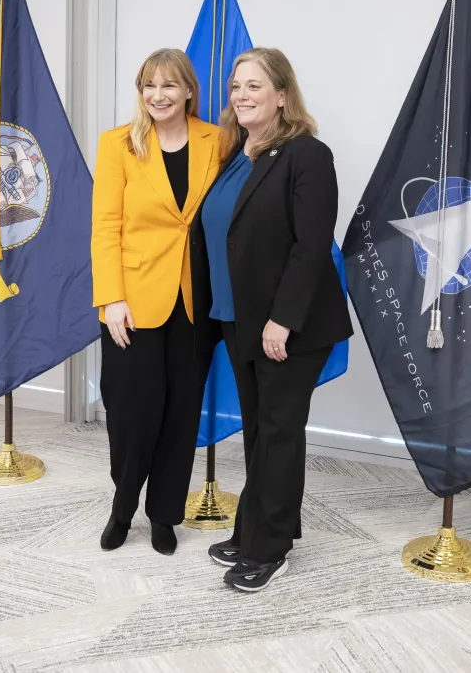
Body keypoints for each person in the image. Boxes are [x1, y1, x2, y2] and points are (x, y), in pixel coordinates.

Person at [191, 47, 352, 591]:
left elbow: (311, 247)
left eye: (254, 86)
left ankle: (269, 547)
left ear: (282, 95)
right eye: (236, 86)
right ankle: (254, 526)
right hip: (238, 318)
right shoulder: (239, 154)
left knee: (279, 433)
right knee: (261, 430)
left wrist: (282, 320)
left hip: (287, 325)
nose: (240, 95)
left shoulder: (308, 155)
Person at [92, 48, 220, 555]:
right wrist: (111, 299)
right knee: (131, 411)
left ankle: (165, 514)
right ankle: (123, 508)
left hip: (196, 302)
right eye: (149, 85)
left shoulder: (220, 139)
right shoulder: (117, 144)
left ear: (188, 90)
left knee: (181, 412)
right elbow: (105, 227)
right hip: (134, 302)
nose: (158, 95)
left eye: (169, 85)